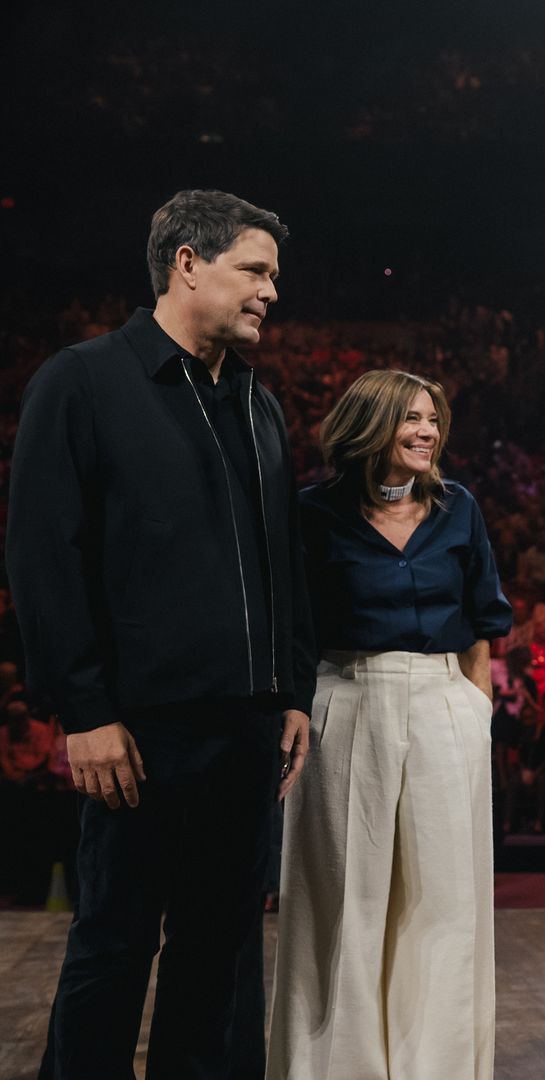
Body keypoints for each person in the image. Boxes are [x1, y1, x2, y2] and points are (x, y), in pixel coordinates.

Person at [8, 189, 313, 1077]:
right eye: (254, 270)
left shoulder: (261, 405)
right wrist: (84, 710)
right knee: (113, 947)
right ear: (188, 261)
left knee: (217, 959)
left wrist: (289, 692)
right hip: (138, 732)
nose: (270, 292)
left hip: (248, 732)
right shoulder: (81, 380)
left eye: (273, 276)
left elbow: (281, 563)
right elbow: (42, 560)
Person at [269, 369, 512, 1078]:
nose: (428, 432)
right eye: (411, 418)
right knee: (343, 900)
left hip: (443, 703)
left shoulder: (459, 508)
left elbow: (482, 625)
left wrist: (476, 715)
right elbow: (296, 628)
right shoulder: (313, 513)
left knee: (444, 903)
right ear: (369, 425)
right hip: (343, 697)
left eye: (433, 419)